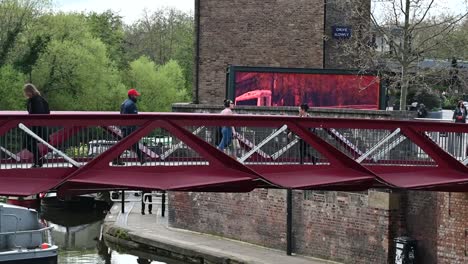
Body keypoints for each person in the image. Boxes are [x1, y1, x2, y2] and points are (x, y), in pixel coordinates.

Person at [113, 88, 145, 165]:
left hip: (124, 127)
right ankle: (115, 158)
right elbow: (135, 118)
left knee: (129, 143)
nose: (136, 97)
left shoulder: (123, 103)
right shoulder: (131, 105)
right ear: (131, 96)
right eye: (135, 95)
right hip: (130, 128)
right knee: (126, 144)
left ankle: (142, 159)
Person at [23, 83, 50, 168]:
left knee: (29, 143)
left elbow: (39, 112)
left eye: (26, 92)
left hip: (36, 125)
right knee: (30, 143)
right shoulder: (36, 99)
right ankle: (39, 160)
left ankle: (38, 161)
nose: (25, 94)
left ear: (30, 91)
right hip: (35, 125)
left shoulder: (36, 100)